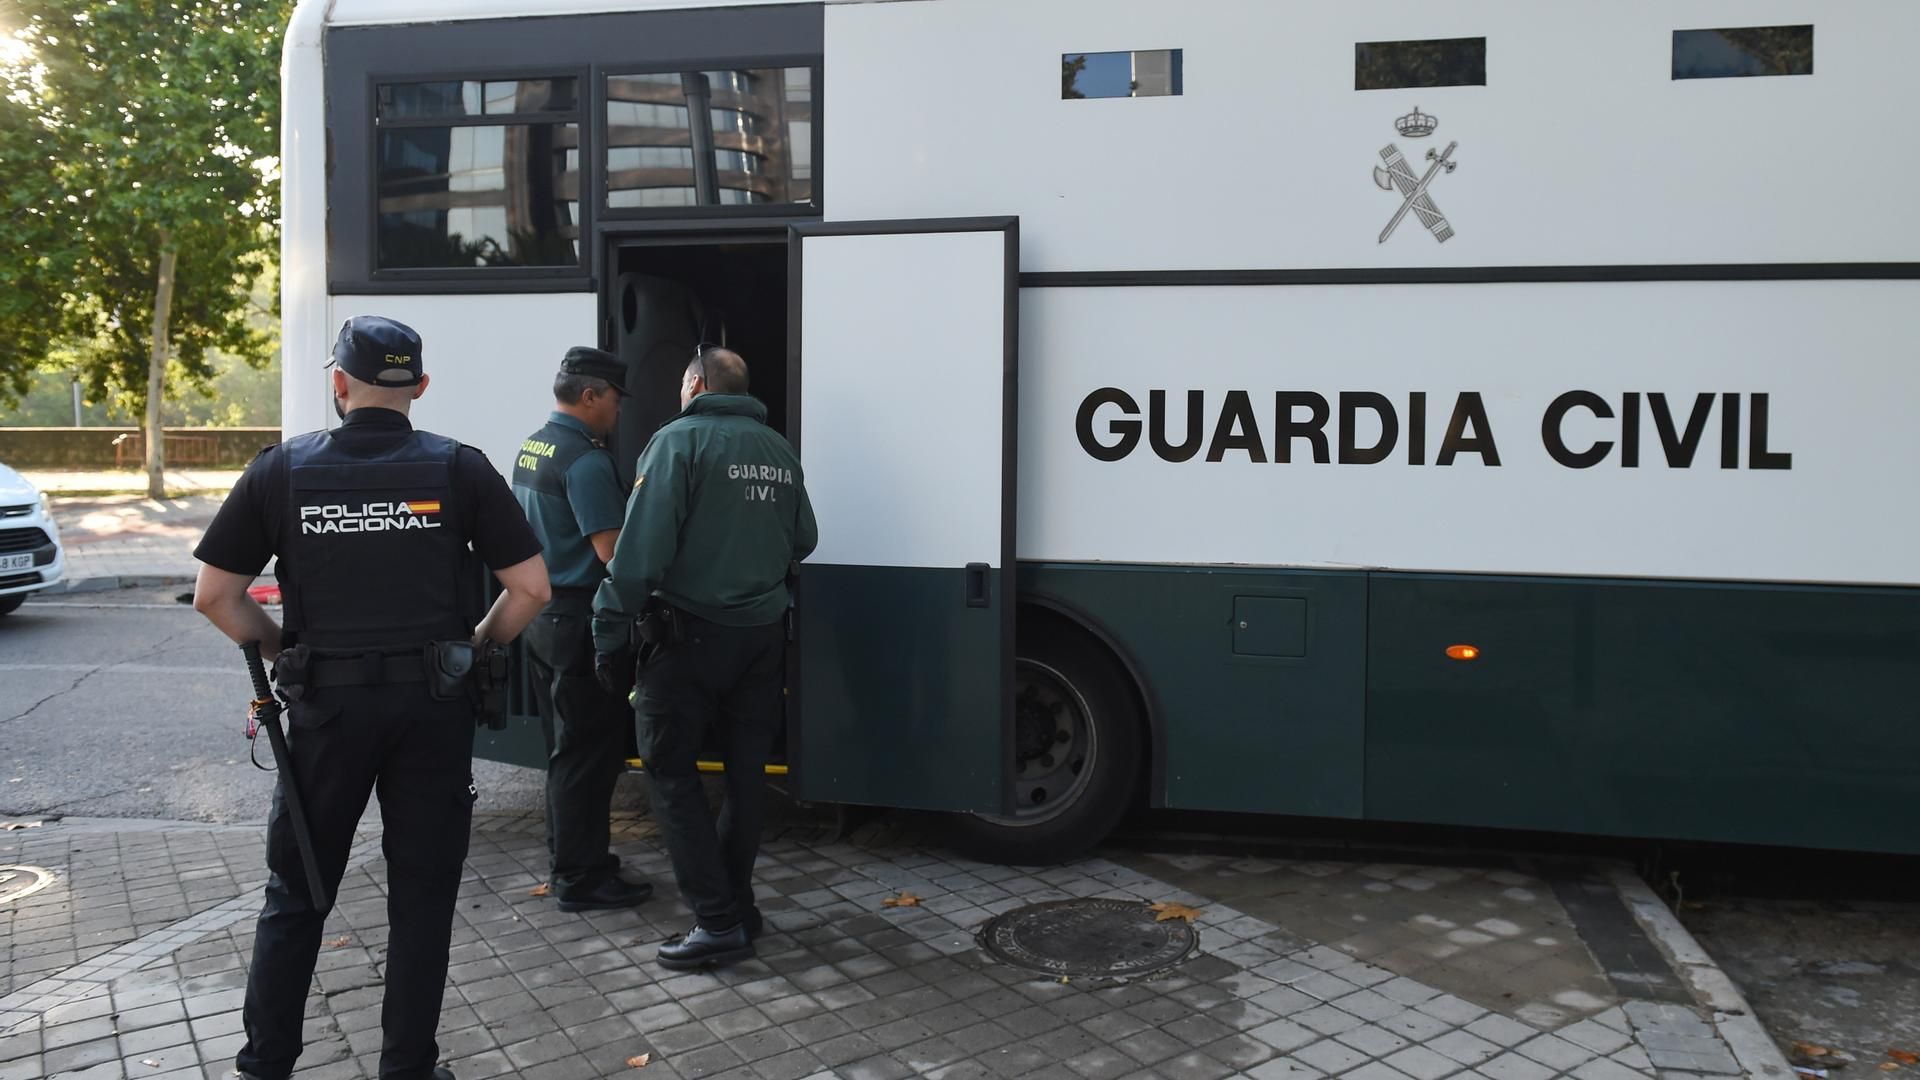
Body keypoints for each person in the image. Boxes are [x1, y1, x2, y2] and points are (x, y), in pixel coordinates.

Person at [192, 316, 551, 1080]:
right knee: (422, 901)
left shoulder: (282, 472)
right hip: (433, 712)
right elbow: (531, 589)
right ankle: (408, 1068)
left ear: (338, 385)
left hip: (326, 715)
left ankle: (265, 1067)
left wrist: (284, 650)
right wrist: (473, 650)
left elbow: (216, 597)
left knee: (298, 893)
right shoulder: (460, 470)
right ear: (418, 388)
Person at [593, 344, 816, 970]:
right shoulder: (777, 448)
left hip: (687, 638)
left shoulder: (677, 443)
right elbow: (807, 537)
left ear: (693, 385)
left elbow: (637, 557)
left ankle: (716, 922)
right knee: (746, 777)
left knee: (670, 772)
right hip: (762, 637)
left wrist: (608, 630)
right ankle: (738, 907)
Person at [511, 347, 653, 912]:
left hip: (541, 617)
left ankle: (573, 858)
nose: (618, 412)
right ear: (590, 395)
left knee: (562, 751)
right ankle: (579, 877)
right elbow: (611, 550)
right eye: (615, 400)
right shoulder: (587, 462)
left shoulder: (533, 446)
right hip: (579, 622)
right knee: (587, 758)